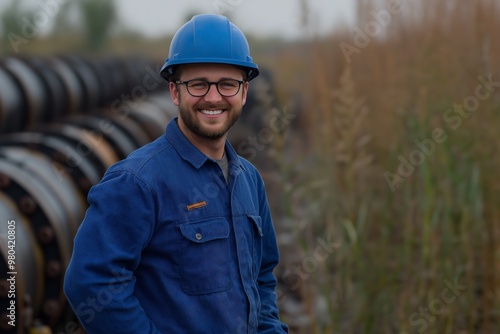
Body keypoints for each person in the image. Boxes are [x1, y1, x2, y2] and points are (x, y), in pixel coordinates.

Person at [64, 14, 288, 334]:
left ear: (244, 92)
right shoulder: (137, 182)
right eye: (198, 84)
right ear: (174, 91)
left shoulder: (250, 180)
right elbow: (91, 283)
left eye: (227, 84)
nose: (213, 97)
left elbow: (263, 276)